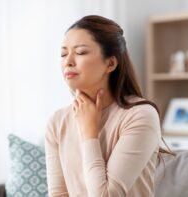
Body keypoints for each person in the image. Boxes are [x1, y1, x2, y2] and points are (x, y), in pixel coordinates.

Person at [45, 15, 172, 197]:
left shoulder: (140, 115)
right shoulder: (57, 121)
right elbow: (58, 194)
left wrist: (89, 132)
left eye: (80, 52)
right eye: (63, 54)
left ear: (110, 63)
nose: (68, 61)